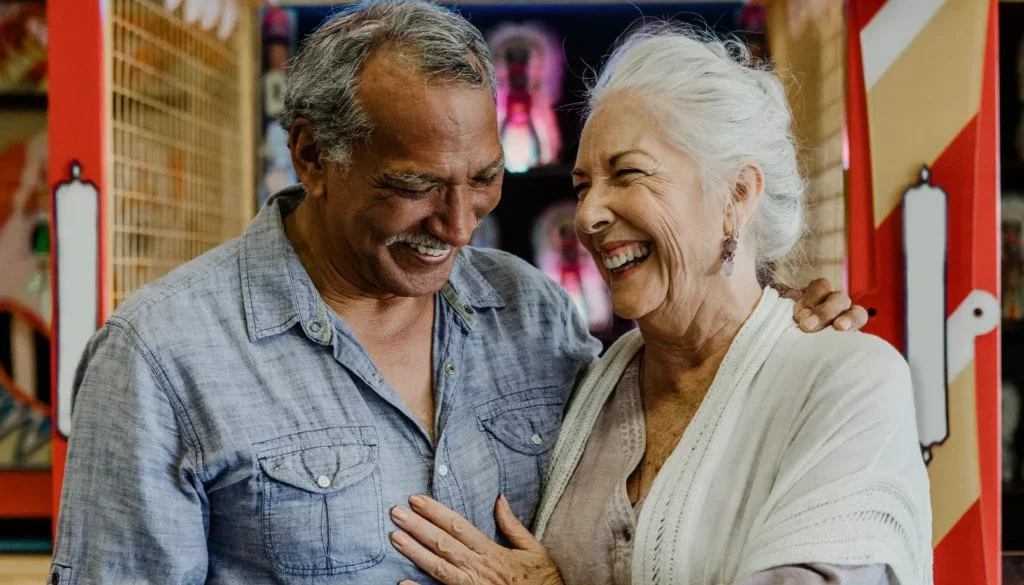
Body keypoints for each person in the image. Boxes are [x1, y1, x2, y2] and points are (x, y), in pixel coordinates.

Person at [49, 3, 865, 584]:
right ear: (311, 156)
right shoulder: (161, 356)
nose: (459, 224)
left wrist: (776, 324)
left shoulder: (532, 313)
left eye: (483, 182)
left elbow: (676, 417)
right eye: (415, 186)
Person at [386, 26, 932, 585]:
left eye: (628, 174)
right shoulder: (589, 387)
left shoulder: (848, 382)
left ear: (737, 194)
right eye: (581, 187)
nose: (590, 216)